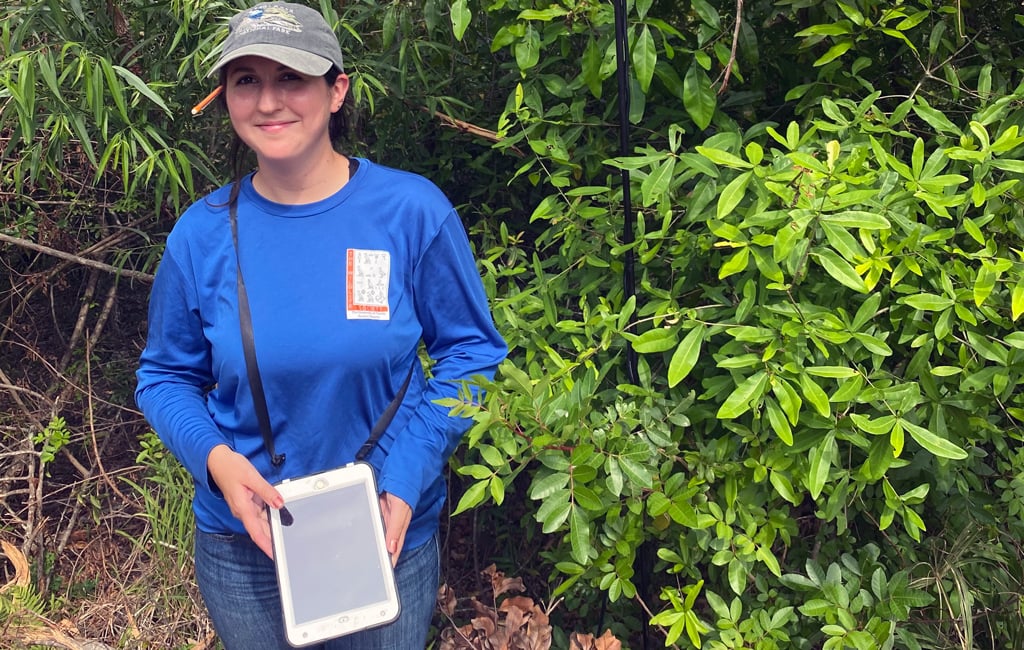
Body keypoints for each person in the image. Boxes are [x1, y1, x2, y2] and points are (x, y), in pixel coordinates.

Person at [134, 3, 507, 648]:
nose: (269, 100)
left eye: (292, 79)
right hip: (243, 544)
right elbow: (165, 376)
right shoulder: (201, 236)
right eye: (246, 79)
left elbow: (472, 353)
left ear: (336, 92)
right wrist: (217, 462)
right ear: (225, 98)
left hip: (384, 535)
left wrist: (409, 470)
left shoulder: (410, 213)